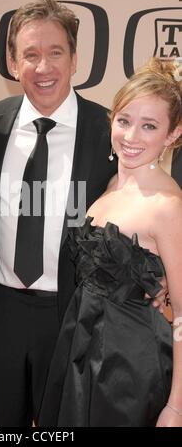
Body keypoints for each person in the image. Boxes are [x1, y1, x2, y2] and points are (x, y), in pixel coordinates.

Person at [0, 0, 165, 427]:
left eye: (56, 52)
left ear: (75, 58)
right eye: (31, 55)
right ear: (11, 61)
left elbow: (145, 202)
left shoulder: (108, 132)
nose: (44, 67)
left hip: (72, 315)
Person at [39, 57, 182, 427]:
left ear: (173, 134)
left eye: (149, 126)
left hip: (129, 365)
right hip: (80, 342)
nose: (131, 137)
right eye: (124, 121)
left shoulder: (167, 207)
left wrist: (177, 406)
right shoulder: (113, 184)